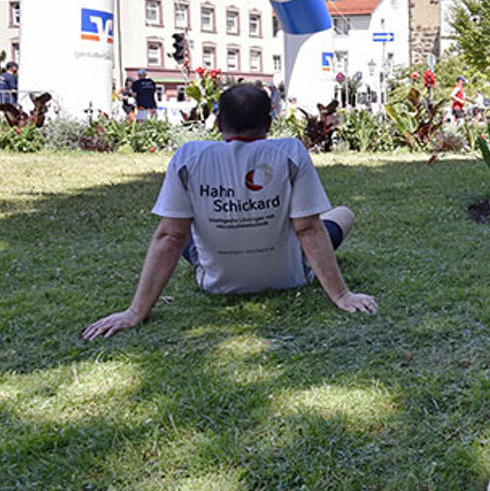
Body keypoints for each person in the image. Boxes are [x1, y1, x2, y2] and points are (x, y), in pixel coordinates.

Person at [82, 84, 378, 340]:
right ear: (269, 123)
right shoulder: (291, 152)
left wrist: (135, 312)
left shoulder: (189, 157)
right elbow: (307, 229)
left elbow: (170, 238)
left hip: (216, 284)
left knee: (178, 227)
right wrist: (342, 295)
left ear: (219, 122)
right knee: (343, 214)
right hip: (292, 276)